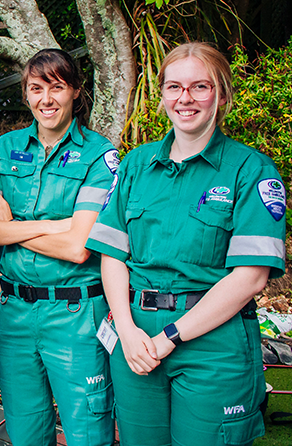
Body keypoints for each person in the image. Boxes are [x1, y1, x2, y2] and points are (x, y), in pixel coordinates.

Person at [85, 42, 285, 446]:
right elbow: (112, 255)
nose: (185, 99)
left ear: (222, 95)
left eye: (200, 87)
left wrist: (169, 337)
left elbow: (249, 278)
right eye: (174, 87)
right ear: (162, 95)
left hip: (212, 344)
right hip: (136, 340)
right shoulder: (136, 164)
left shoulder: (250, 170)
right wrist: (126, 330)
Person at [0, 49, 118, 445]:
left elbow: (78, 247)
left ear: (75, 90)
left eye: (57, 87)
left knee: (87, 432)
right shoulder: (4, 150)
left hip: (76, 314)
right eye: (36, 89)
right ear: (25, 94)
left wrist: (12, 225)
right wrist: (53, 225)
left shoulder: (98, 155)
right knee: (25, 431)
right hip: (15, 313)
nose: (46, 99)